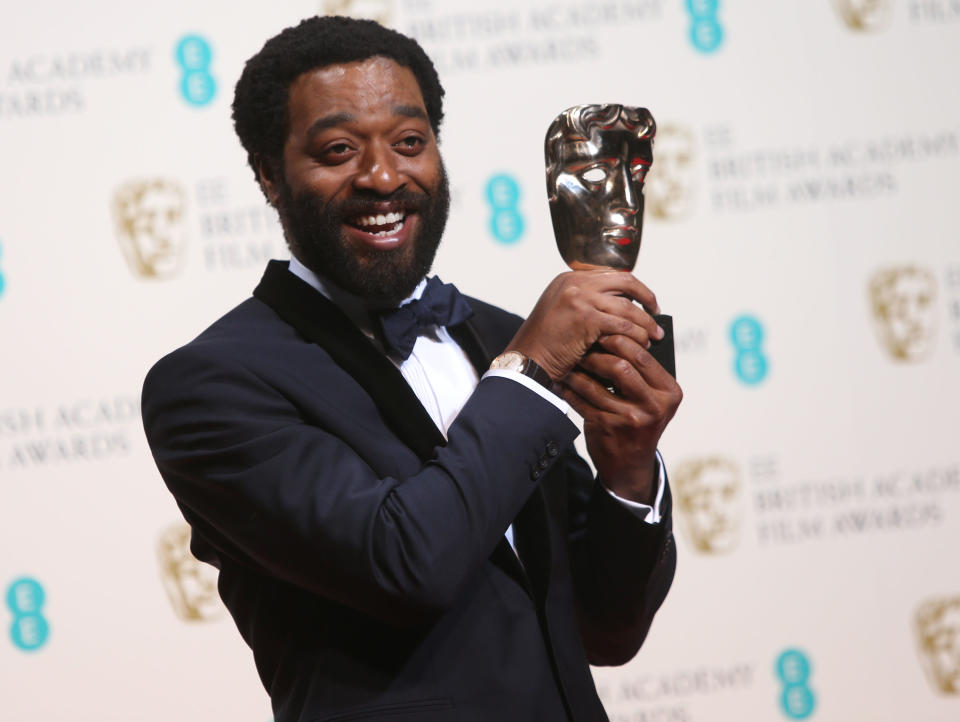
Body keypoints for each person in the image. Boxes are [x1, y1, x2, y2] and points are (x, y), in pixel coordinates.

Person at [142, 15, 681, 722]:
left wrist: (629, 468)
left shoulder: (495, 336)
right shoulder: (209, 387)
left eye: (410, 142)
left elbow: (606, 631)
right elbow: (404, 565)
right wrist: (533, 367)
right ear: (270, 175)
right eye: (338, 150)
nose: (384, 176)